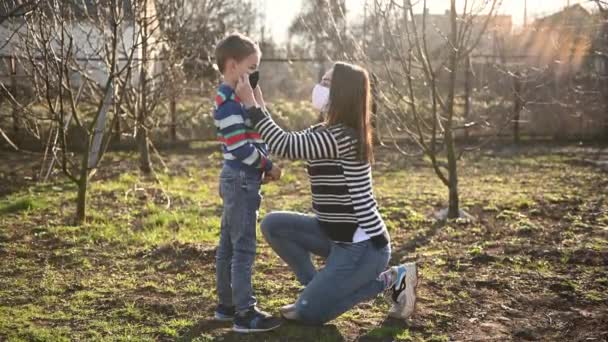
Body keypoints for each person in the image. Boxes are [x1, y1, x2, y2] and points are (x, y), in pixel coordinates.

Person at [235, 61, 418, 325]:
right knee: (273, 225)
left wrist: (251, 106)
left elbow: (285, 145)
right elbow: (285, 139)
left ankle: (393, 280)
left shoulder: (342, 137)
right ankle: (318, 287)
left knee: (307, 315)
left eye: (327, 84)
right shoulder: (324, 132)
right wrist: (257, 98)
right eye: (321, 80)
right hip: (333, 234)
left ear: (342, 95)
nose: (319, 88)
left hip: (363, 247)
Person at [212, 32, 282, 333]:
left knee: (229, 245)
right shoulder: (227, 103)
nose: (256, 74)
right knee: (243, 249)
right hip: (240, 179)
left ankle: (226, 306)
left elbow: (257, 133)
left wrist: (258, 104)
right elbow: (241, 149)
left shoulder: (239, 100)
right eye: (251, 67)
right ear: (232, 65)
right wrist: (267, 164)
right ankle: (244, 313)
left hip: (242, 178)